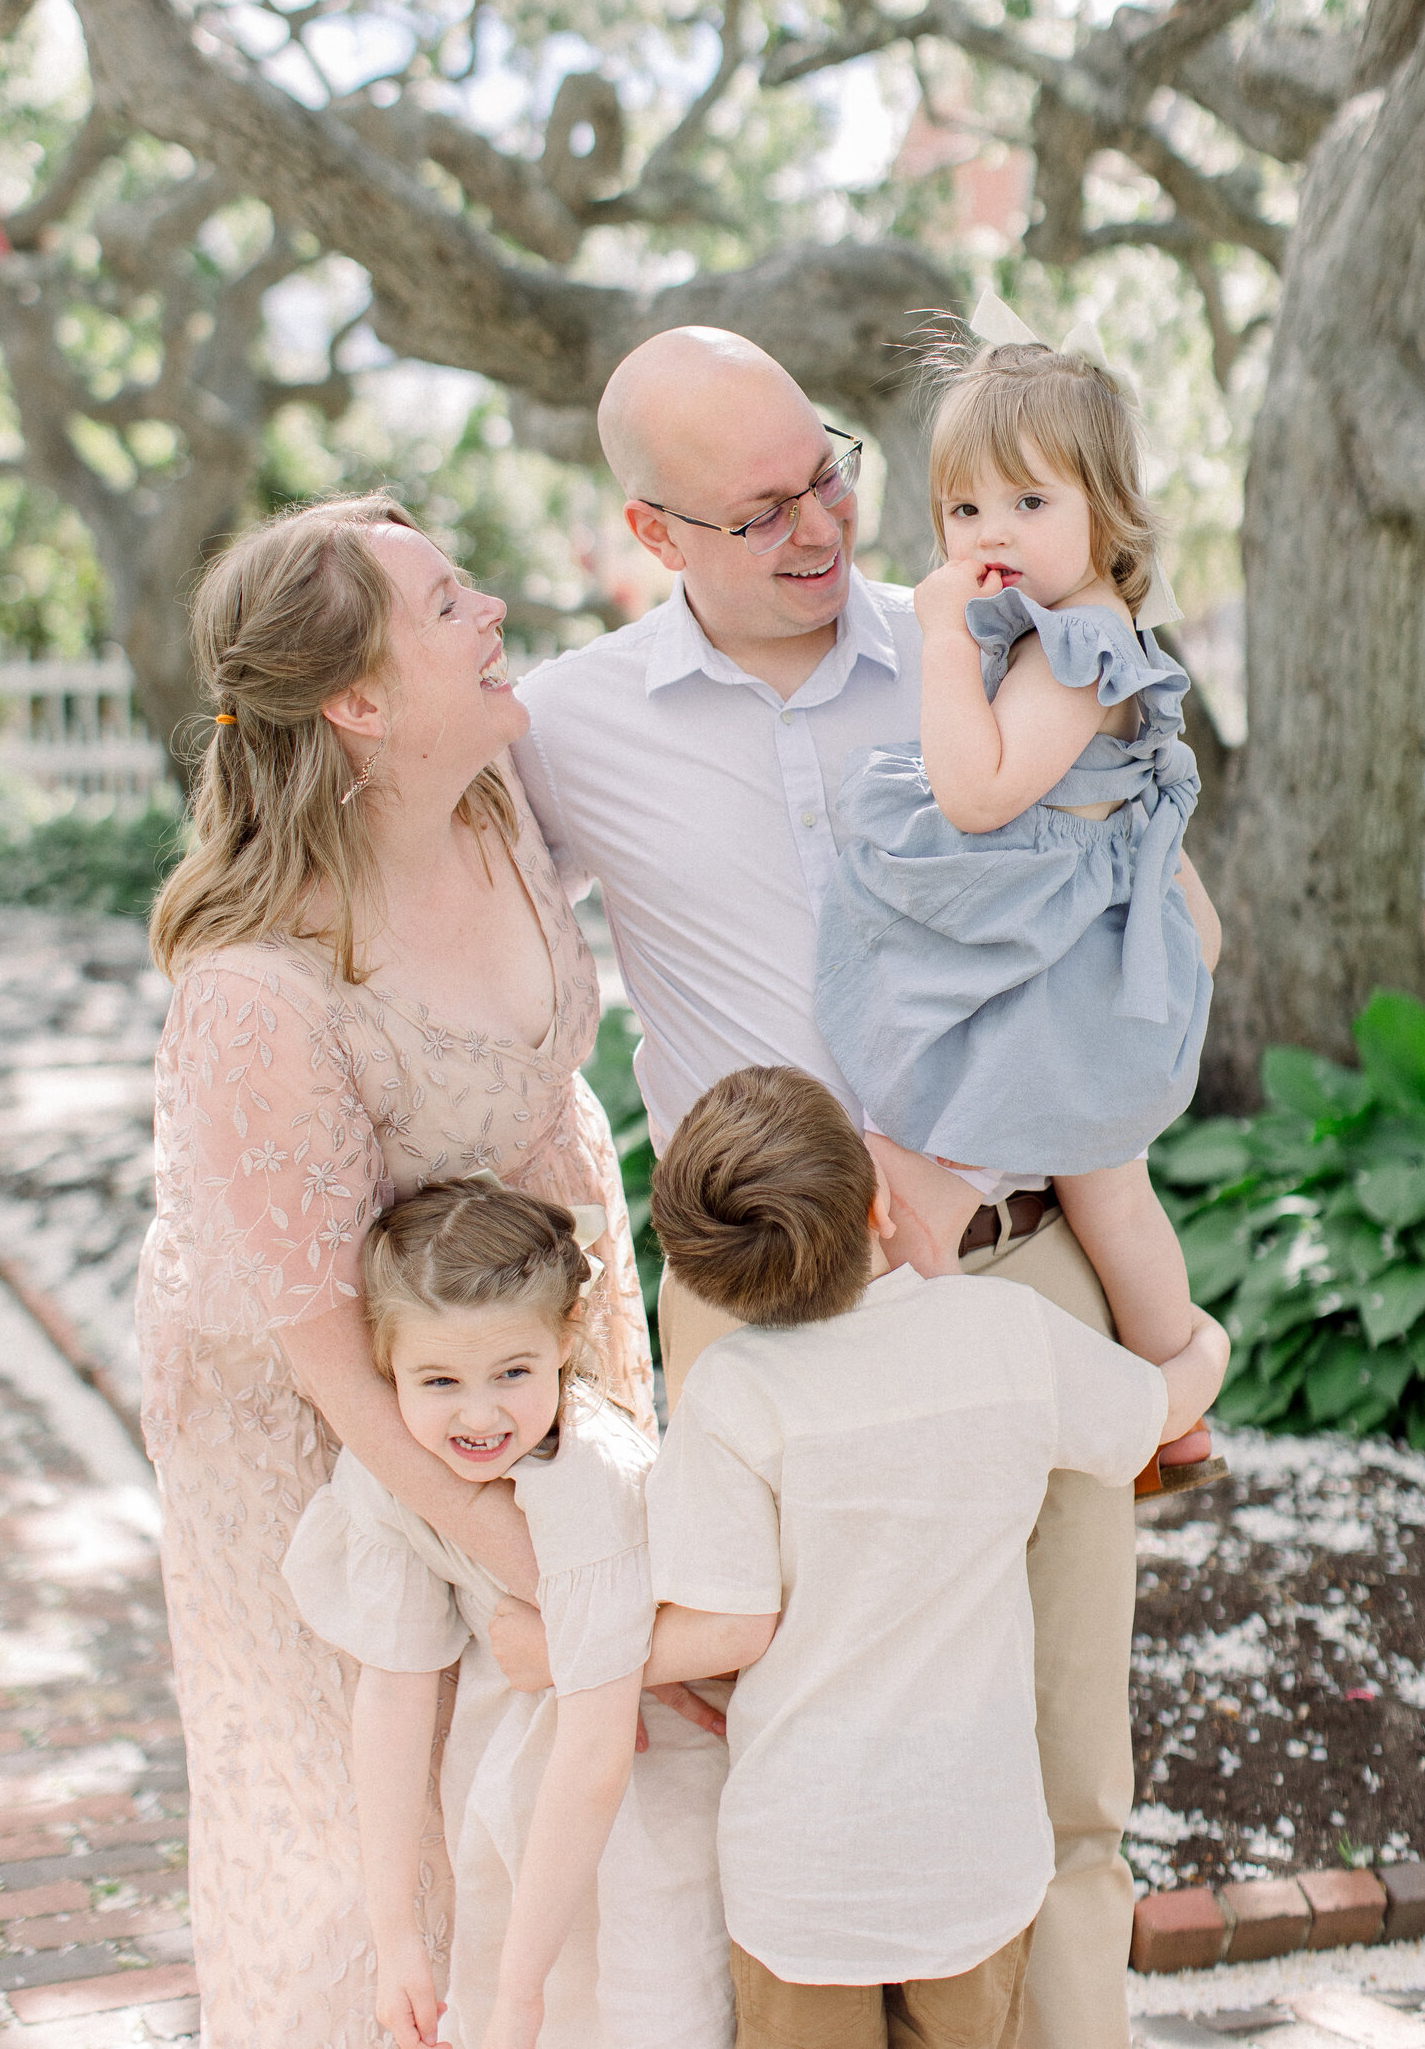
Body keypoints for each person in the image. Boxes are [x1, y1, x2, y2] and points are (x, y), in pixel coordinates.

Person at [511, 326, 1221, 2049]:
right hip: (763, 1309)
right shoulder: (565, 725)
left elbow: (1170, 910)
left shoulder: (980, 640)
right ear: (653, 532)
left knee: (1058, 1758)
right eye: (758, 511)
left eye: (825, 466)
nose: (823, 521)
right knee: (800, 1719)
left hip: (1013, 1260)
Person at [137, 493, 653, 2047]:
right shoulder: (261, 989)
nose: (492, 612)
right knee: (362, 1820)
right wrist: (506, 1538)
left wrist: (596, 1407)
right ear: (359, 705)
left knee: (544, 1747)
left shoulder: (495, 799)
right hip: (307, 1410)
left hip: (512, 1305)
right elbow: (327, 1361)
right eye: (447, 607)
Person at [643, 1065, 1230, 2049]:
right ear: (880, 1201)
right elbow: (1156, 1411)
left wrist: (585, 1652)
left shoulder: (732, 1394)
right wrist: (1203, 1343)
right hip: (973, 1858)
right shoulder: (1002, 1335)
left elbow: (732, 1627)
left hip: (803, 1872)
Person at [814, 331, 1220, 1495]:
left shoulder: (1078, 647)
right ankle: (1172, 1407)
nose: (988, 534)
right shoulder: (1066, 632)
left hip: (1059, 968)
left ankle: (1173, 1375)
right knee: (1102, 1177)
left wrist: (941, 638)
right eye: (962, 507)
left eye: (1028, 500)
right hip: (1060, 943)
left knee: (1003, 1135)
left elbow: (981, 791)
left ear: (1109, 510)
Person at [282, 1180, 732, 2049]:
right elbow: (395, 1691)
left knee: (634, 2004)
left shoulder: (588, 1484)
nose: (479, 1414)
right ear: (386, 1367)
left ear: (566, 1343)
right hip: (507, 1777)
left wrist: (518, 1998)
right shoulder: (391, 1472)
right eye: (439, 1379)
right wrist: (396, 1936)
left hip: (632, 1796)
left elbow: (597, 1754)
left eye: (513, 1374)